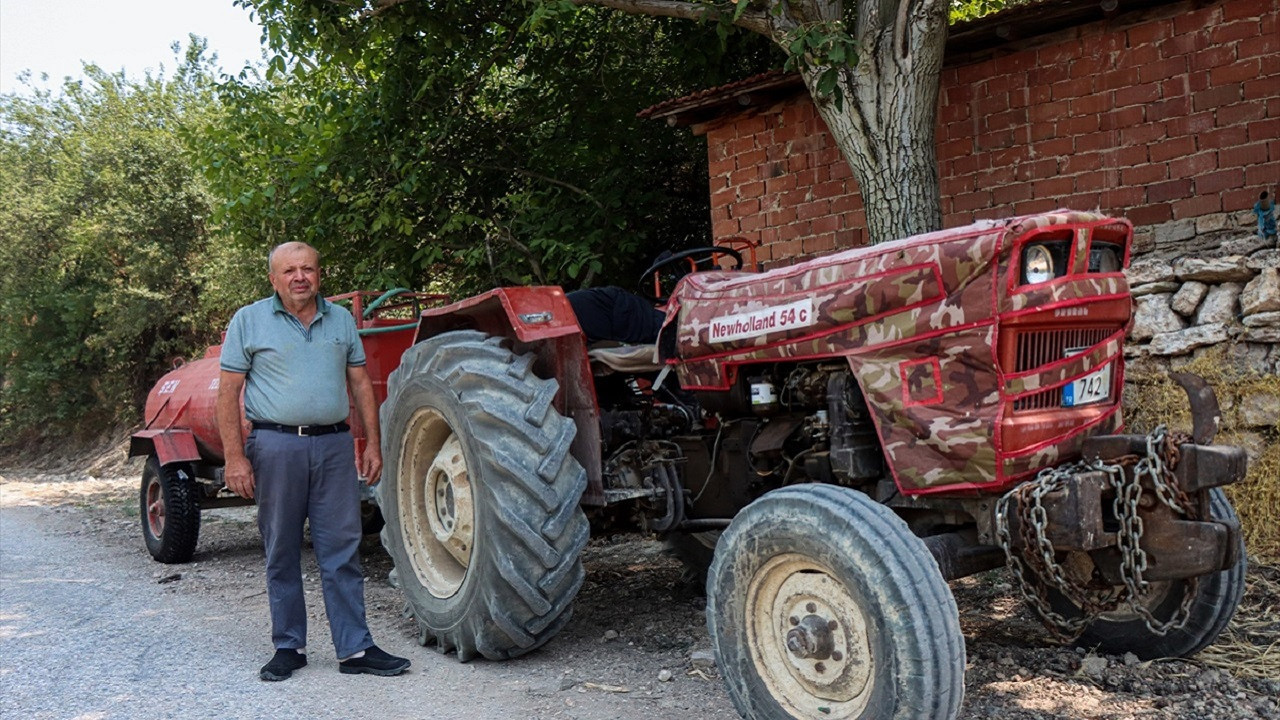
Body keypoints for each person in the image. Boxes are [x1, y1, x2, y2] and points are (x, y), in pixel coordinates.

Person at [215, 241, 410, 681]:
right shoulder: (249, 320)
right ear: (273, 279)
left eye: (308, 269)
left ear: (319, 274)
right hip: (275, 445)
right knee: (281, 547)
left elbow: (361, 386)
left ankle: (355, 650)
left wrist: (372, 445)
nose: (299, 277)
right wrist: (235, 458)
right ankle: (289, 646)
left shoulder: (340, 320)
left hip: (334, 446)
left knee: (341, 548)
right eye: (289, 271)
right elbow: (228, 395)